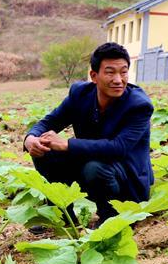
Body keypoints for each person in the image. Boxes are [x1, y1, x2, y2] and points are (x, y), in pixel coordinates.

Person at [23, 42, 153, 224]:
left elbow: (119, 147)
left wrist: (67, 144)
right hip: (90, 169)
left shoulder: (139, 105)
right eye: (110, 72)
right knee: (44, 150)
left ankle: (110, 217)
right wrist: (31, 139)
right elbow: (50, 121)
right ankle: (62, 217)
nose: (118, 79)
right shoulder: (80, 94)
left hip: (126, 181)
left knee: (94, 167)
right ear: (94, 76)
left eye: (123, 72)